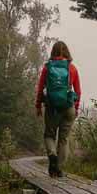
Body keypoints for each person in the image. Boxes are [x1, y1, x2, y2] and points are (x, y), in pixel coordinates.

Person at [35, 41, 81, 178]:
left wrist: (38, 105)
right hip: (68, 107)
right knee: (64, 139)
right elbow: (78, 91)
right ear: (67, 52)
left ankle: (52, 156)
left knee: (49, 135)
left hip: (52, 107)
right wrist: (76, 108)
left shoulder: (47, 68)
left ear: (53, 52)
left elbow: (40, 89)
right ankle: (58, 169)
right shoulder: (72, 68)